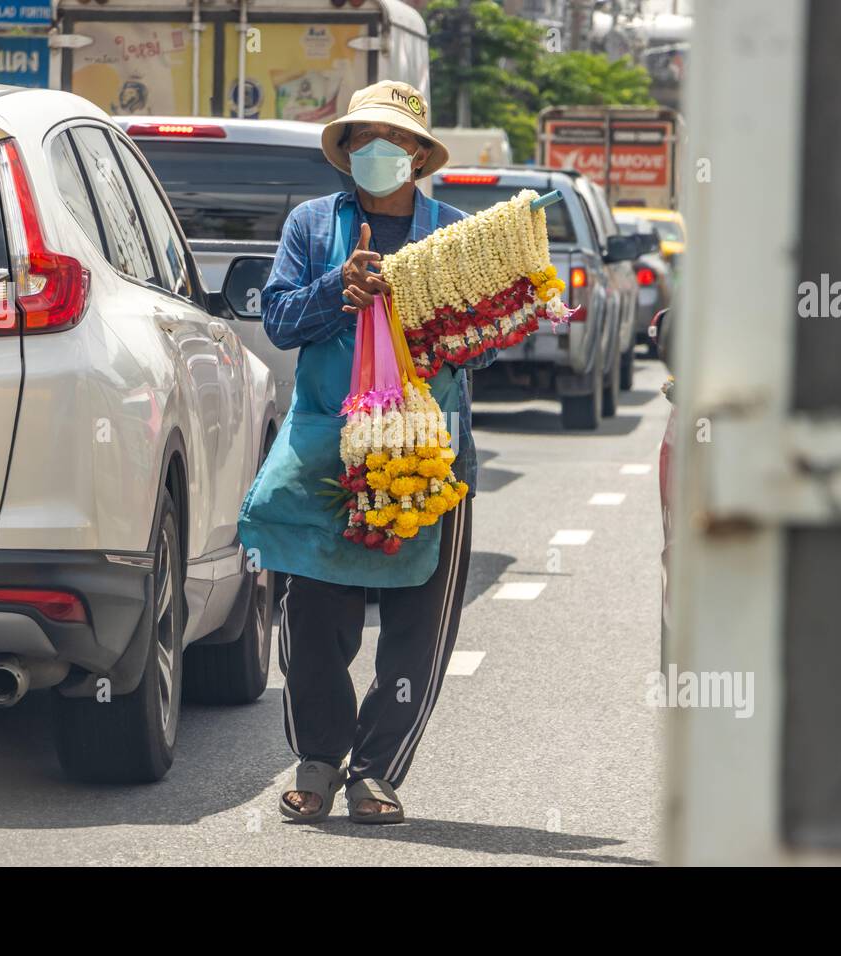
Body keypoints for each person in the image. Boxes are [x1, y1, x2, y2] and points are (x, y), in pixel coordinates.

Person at [237, 81, 496, 824]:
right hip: (327, 450)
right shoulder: (314, 226)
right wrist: (336, 289)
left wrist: (444, 324)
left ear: (419, 156)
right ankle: (318, 760)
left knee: (417, 629)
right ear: (347, 151)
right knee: (314, 617)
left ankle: (377, 771)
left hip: (429, 460)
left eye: (397, 142)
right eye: (364, 140)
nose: (379, 153)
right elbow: (280, 320)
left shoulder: (457, 236)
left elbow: (489, 345)